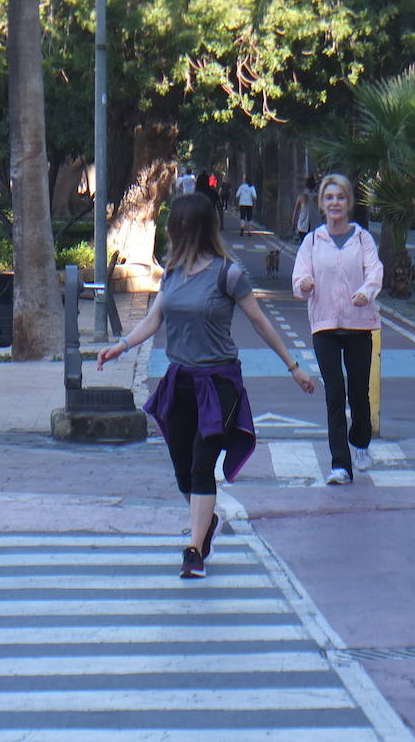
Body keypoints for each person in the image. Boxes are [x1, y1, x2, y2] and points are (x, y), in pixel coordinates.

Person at [98, 193, 315, 578]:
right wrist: (121, 346)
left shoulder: (227, 274)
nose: (172, 230)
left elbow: (260, 321)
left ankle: (194, 550)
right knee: (183, 471)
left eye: (176, 224)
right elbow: (153, 319)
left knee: (202, 466)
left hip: (218, 384)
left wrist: (293, 366)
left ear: (192, 227)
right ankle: (206, 521)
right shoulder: (172, 273)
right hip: (179, 381)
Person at [292, 173, 384, 485]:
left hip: (359, 324)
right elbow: (299, 278)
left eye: (340, 197)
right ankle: (340, 465)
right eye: (329, 198)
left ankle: (361, 442)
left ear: (349, 203)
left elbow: (374, 272)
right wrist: (304, 284)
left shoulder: (362, 239)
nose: (335, 203)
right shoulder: (312, 241)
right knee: (334, 393)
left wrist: (367, 292)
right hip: (325, 326)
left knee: (358, 393)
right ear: (321, 203)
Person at [290, 176, 318, 241]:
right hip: (315, 225)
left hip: (303, 225)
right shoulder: (318, 197)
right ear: (314, 186)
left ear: (306, 186)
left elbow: (295, 212)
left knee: (303, 244)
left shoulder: (301, 197)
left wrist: (293, 223)